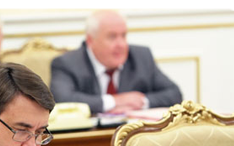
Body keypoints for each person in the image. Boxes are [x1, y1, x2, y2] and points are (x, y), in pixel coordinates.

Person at [50, 10, 182, 114]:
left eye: (123, 36)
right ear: (91, 40)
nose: (121, 44)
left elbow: (174, 93)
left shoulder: (141, 56)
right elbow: (61, 100)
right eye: (112, 37)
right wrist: (113, 101)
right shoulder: (66, 63)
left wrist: (140, 101)